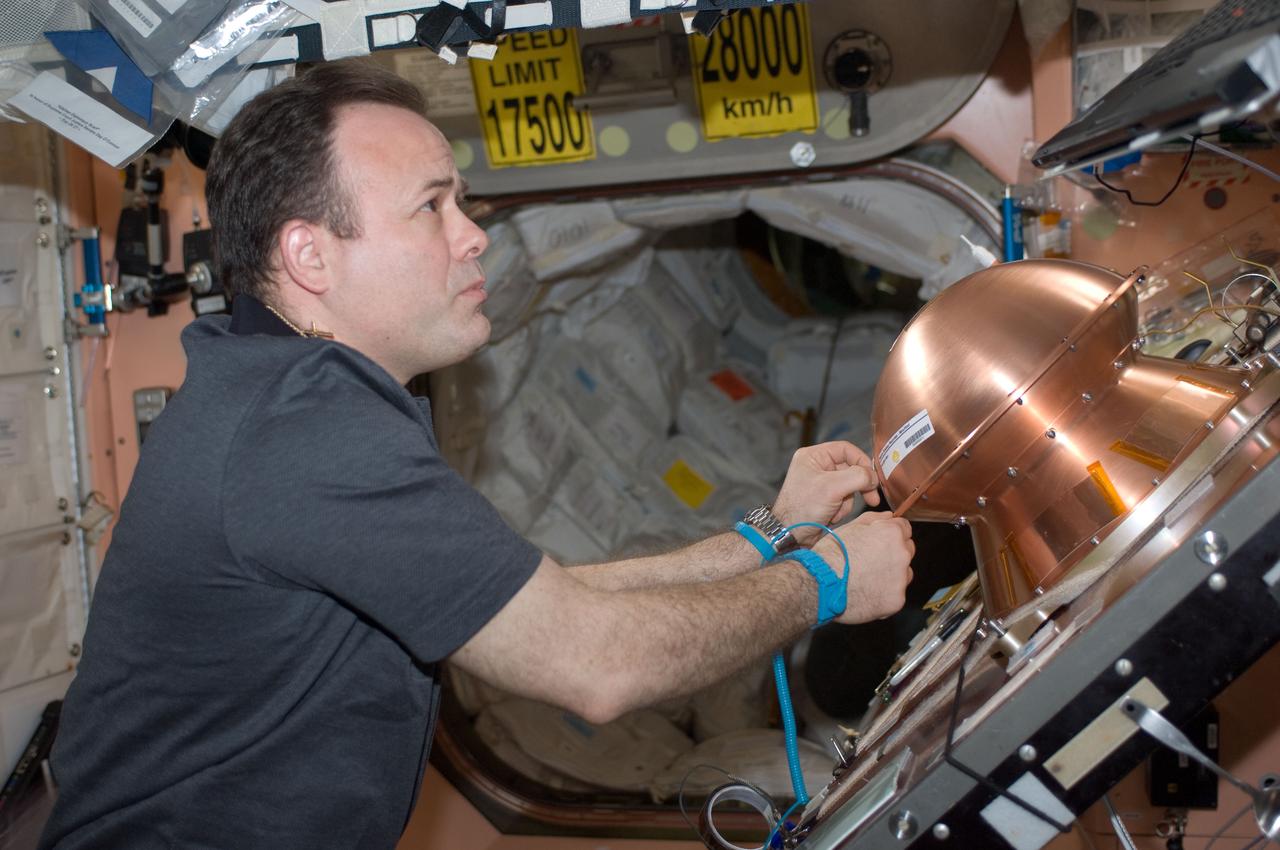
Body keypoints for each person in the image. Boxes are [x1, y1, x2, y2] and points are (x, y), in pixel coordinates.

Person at [39, 60, 914, 849]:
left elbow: (539, 604)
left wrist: (772, 534)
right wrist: (827, 582)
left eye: (462, 202)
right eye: (432, 207)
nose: (475, 235)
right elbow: (597, 664)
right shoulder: (301, 430)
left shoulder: (295, 395)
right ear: (309, 255)